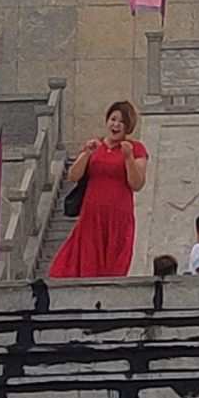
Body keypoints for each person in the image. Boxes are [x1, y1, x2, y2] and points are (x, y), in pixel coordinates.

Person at [48, 100, 148, 279]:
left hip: (118, 215)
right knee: (84, 260)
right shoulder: (95, 146)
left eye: (122, 122)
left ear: (128, 127)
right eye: (113, 119)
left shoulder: (136, 148)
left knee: (114, 264)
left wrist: (128, 158)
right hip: (92, 215)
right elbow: (73, 176)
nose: (116, 124)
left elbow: (137, 183)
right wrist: (86, 153)